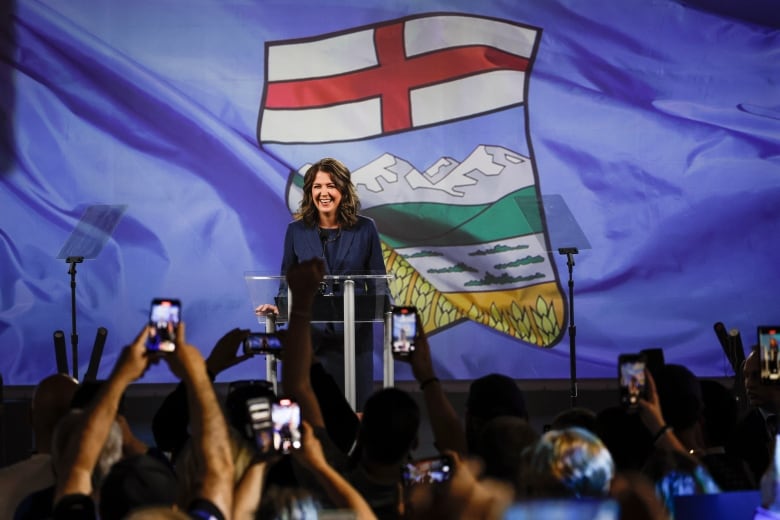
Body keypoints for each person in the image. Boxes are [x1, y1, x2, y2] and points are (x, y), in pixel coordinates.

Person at [256, 157, 389, 411]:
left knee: (355, 411)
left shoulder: (365, 229)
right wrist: (280, 309)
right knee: (315, 412)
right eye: (317, 187)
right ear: (309, 192)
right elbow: (288, 281)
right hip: (312, 340)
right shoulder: (296, 231)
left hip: (354, 340)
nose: (324, 193)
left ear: (343, 189)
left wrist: (386, 311)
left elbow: (379, 283)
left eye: (330, 185)